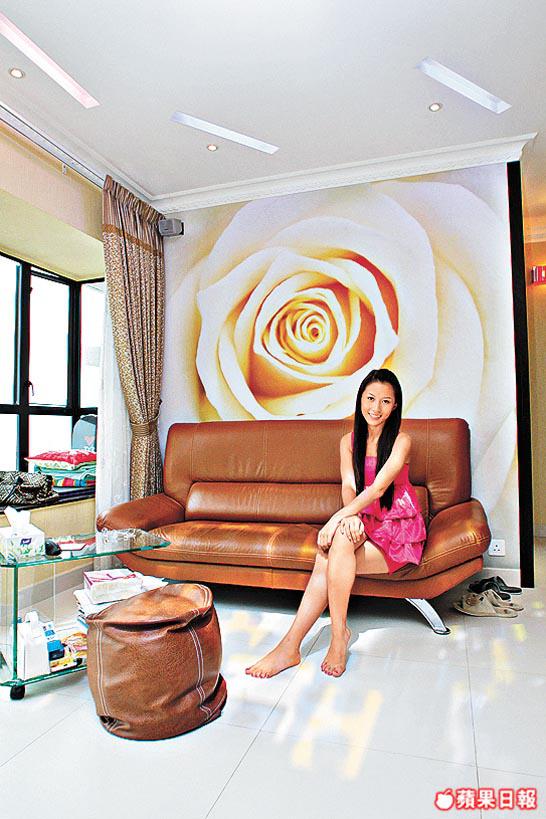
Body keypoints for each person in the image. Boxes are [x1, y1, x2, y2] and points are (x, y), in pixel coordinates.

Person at [245, 368, 426, 679]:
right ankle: (312, 641)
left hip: (397, 527)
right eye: (370, 398)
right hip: (363, 517)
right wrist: (350, 515)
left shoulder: (402, 441)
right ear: (360, 399)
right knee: (338, 542)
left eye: (385, 401)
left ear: (395, 405)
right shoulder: (348, 442)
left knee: (326, 557)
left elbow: (379, 489)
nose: (376, 408)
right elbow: (349, 485)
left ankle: (317, 640)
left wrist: (337, 517)